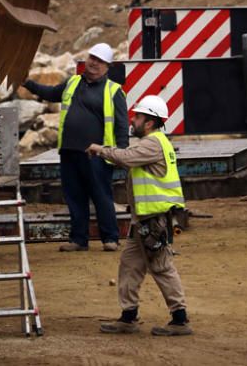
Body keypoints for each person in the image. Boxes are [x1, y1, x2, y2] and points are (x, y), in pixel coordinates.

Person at [86, 94, 192, 336]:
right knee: (130, 265)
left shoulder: (153, 143)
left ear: (150, 122)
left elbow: (126, 158)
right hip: (144, 220)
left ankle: (180, 319)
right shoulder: (155, 142)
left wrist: (101, 150)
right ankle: (128, 316)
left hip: (153, 220)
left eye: (138, 117)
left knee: (162, 267)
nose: (133, 120)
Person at [22, 42, 127, 252]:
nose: (94, 64)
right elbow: (51, 93)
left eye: (100, 61)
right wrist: (27, 83)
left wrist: (121, 154)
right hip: (70, 151)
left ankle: (110, 237)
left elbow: (122, 124)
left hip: (96, 154)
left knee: (101, 196)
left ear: (107, 67)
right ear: (86, 60)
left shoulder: (113, 91)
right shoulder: (72, 82)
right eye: (92, 58)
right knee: (74, 196)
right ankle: (79, 239)